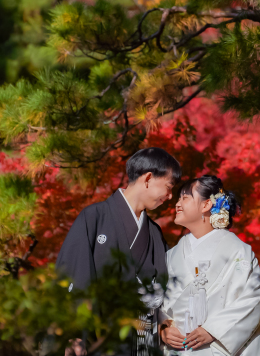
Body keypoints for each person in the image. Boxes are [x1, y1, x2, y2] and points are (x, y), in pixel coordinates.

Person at [56, 147, 181, 356]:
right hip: (99, 340)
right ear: (148, 178)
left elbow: (164, 290)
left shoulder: (154, 233)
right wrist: (73, 333)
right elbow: (73, 275)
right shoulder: (94, 217)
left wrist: (164, 324)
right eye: (168, 187)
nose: (169, 197)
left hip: (143, 342)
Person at [159, 176, 260, 356]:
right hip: (176, 349)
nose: (177, 204)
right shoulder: (171, 255)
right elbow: (155, 300)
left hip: (217, 348)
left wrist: (214, 330)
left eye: (185, 198)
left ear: (206, 205)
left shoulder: (238, 252)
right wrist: (162, 328)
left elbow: (253, 298)